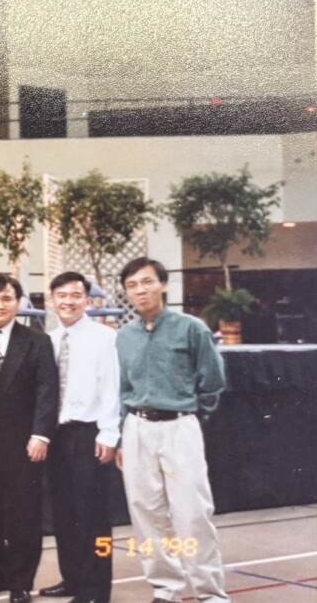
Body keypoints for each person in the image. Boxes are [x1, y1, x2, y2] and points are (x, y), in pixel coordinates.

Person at [115, 257, 228, 603]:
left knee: (192, 513)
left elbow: (213, 381)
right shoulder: (124, 336)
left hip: (179, 428)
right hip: (136, 429)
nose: (140, 290)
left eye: (147, 282)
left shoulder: (190, 328)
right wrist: (123, 434)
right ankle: (166, 589)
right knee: (147, 514)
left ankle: (210, 593)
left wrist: (190, 419)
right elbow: (122, 389)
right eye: (132, 285)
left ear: (163, 284)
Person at [0, 273, 58, 603]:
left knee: (24, 517)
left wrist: (41, 435)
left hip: (25, 445)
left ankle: (21, 582)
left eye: (7, 298)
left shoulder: (37, 341)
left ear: (18, 302)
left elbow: (47, 392)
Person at [39, 272, 120, 603]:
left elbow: (113, 388)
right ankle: (72, 579)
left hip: (90, 434)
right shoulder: (50, 338)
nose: (68, 301)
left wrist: (109, 433)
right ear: (52, 300)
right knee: (63, 514)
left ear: (87, 300)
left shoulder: (105, 338)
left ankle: (96, 590)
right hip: (56, 436)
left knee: (93, 517)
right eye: (61, 295)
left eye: (75, 295)